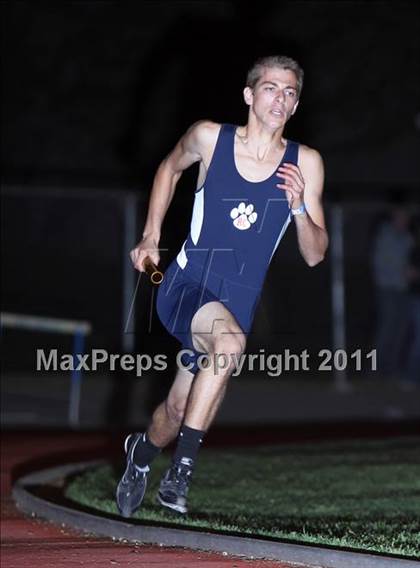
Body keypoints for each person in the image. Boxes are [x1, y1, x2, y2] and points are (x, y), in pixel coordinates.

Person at [116, 55, 328, 517]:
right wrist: (151, 236)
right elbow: (169, 169)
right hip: (186, 284)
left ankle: (142, 454)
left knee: (174, 411)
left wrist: (297, 208)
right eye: (272, 88)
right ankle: (181, 474)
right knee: (230, 343)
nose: (281, 98)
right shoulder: (209, 137)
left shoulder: (305, 163)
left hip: (236, 303)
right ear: (249, 95)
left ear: (295, 106)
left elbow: (315, 254)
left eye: (290, 92)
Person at [371, 201, 413, 378]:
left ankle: (392, 369)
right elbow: (382, 263)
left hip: (403, 289)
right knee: (387, 330)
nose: (405, 220)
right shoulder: (385, 235)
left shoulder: (407, 237)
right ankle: (374, 370)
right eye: (402, 216)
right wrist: (403, 271)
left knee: (401, 329)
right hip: (387, 288)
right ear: (395, 216)